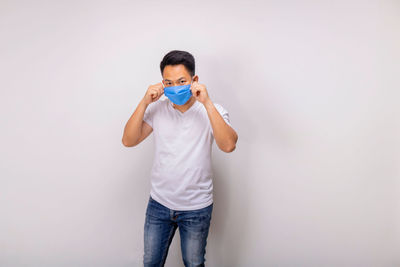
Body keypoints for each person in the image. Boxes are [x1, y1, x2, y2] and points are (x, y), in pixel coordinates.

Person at [122, 50, 238, 267]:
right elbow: (129, 140)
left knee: (194, 264)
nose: (175, 87)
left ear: (194, 80)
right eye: (169, 82)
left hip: (196, 207)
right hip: (159, 204)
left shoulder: (212, 110)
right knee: (151, 263)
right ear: (162, 83)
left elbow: (229, 145)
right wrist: (144, 102)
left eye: (181, 81)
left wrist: (208, 103)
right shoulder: (158, 109)